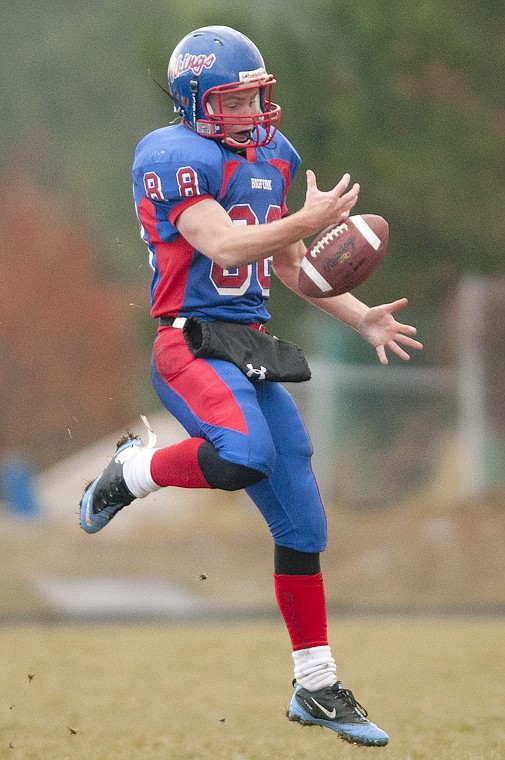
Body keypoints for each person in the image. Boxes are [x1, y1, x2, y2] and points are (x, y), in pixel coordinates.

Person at [80, 25, 423, 746]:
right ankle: (133, 470)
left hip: (250, 342)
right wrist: (307, 216)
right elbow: (223, 243)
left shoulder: (273, 154)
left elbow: (296, 266)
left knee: (301, 513)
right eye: (238, 101)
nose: (255, 113)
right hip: (188, 340)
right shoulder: (171, 155)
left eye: (259, 96)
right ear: (197, 104)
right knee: (242, 456)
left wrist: (362, 318)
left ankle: (317, 685)